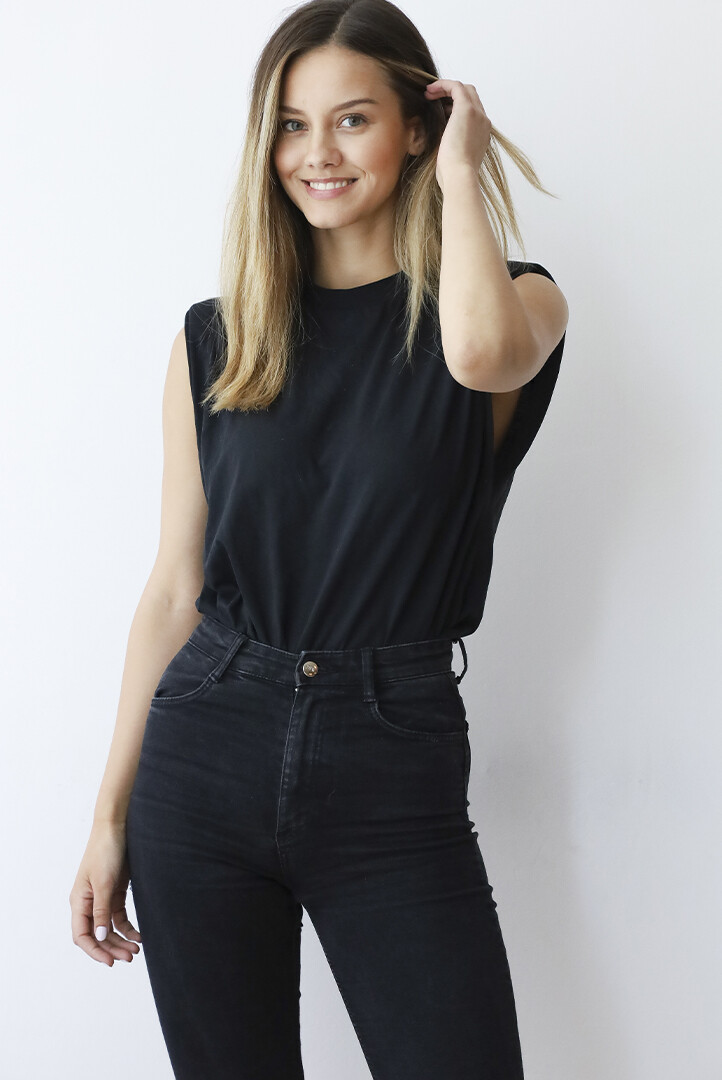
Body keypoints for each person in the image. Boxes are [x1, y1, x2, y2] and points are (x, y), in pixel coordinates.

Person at [69, 0, 569, 1076]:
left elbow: (481, 359)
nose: (316, 155)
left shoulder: (518, 303)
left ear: (418, 127)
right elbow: (174, 588)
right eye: (291, 126)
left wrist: (461, 174)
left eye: (351, 120)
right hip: (205, 751)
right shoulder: (218, 337)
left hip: (391, 760)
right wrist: (108, 816)